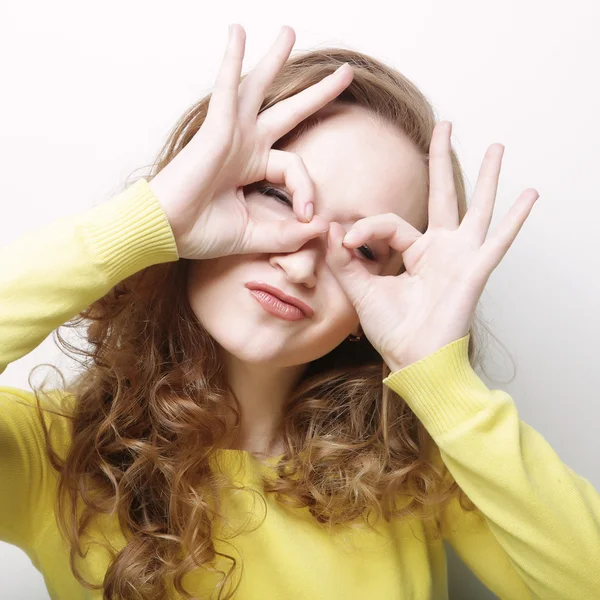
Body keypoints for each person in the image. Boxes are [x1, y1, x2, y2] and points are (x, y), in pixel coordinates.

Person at [0, 22, 598, 600]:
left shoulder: (425, 471)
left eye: (364, 249)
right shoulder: (48, 449)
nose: (301, 264)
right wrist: (140, 227)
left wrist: (441, 375)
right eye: (276, 196)